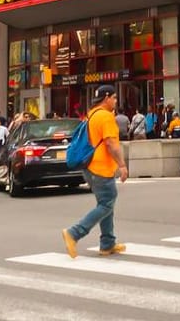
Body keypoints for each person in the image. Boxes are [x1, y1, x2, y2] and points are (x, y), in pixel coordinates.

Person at [62, 85, 128, 259]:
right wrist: (122, 165)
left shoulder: (91, 114)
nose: (115, 101)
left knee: (106, 204)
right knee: (107, 204)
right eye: (114, 97)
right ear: (106, 98)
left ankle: (107, 243)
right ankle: (74, 233)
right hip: (101, 168)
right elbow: (111, 144)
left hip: (89, 167)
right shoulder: (106, 117)